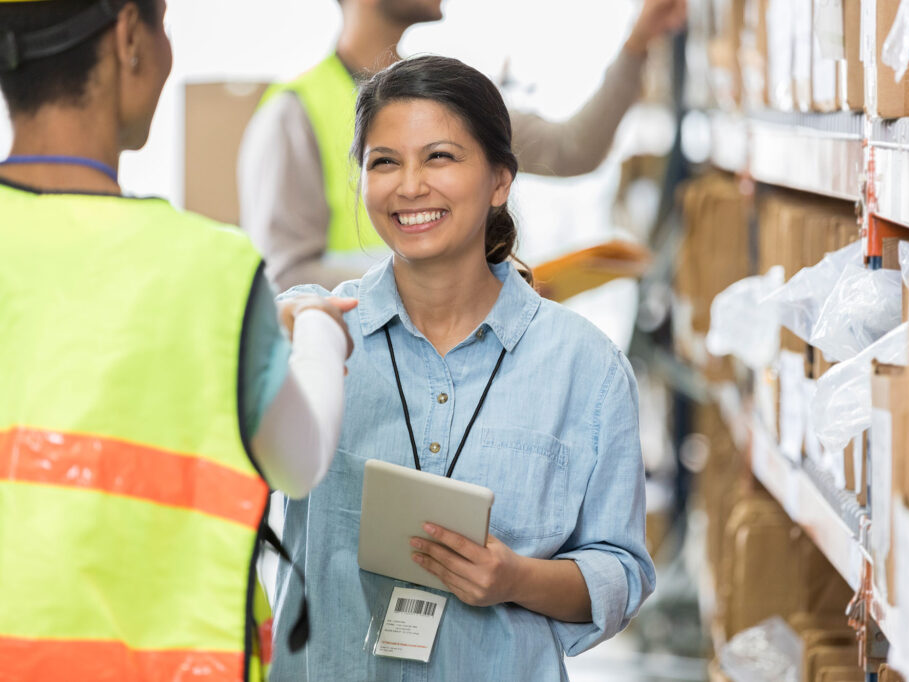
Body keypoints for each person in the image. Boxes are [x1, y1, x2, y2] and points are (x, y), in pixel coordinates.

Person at [269, 54, 655, 681]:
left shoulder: (585, 367)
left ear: (500, 180)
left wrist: (516, 578)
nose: (410, 186)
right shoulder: (314, 334)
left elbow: (622, 570)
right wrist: (260, 343)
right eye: (384, 162)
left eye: (439, 157)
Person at [0, 1, 354, 679]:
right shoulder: (208, 272)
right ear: (128, 37)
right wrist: (318, 328)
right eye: (162, 22)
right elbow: (300, 458)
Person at [238, 0, 688, 291]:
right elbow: (286, 278)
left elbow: (571, 149)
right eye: (385, 163)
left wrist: (638, 42)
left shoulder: (453, 97)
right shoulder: (295, 113)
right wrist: (452, 285)